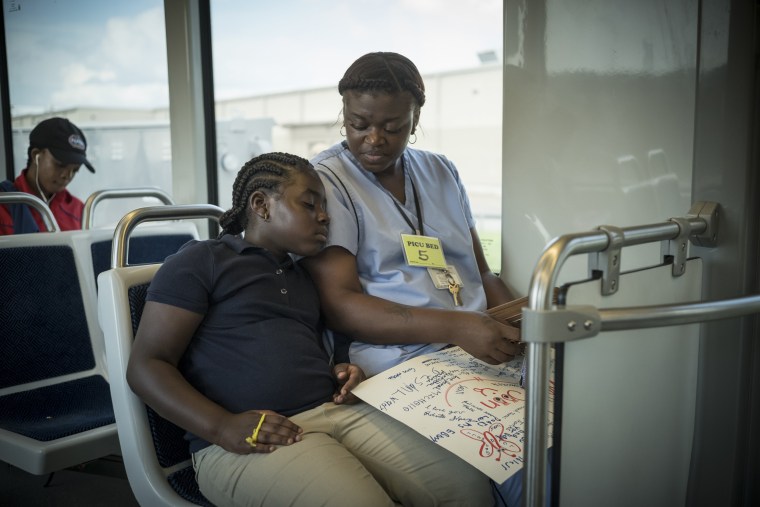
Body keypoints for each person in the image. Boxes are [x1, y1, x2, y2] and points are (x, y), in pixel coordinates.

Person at [126, 152, 495, 507]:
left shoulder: (302, 277)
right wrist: (222, 427)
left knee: (468, 487)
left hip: (332, 413)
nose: (324, 218)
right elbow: (148, 365)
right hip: (244, 439)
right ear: (261, 205)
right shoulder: (202, 261)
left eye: (325, 209)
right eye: (309, 205)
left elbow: (299, 352)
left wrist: (340, 372)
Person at [301, 52, 530, 506]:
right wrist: (455, 326)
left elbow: (481, 272)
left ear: (416, 117)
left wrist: (521, 323)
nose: (373, 139)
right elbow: (340, 304)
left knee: (571, 432)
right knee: (517, 462)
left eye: (393, 126)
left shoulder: (440, 170)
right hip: (400, 359)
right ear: (343, 113)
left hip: (475, 344)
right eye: (358, 123)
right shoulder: (328, 180)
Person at [0, 117, 95, 235]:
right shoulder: (4, 205)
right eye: (60, 165)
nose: (67, 175)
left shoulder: (79, 210)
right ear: (36, 155)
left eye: (75, 170)